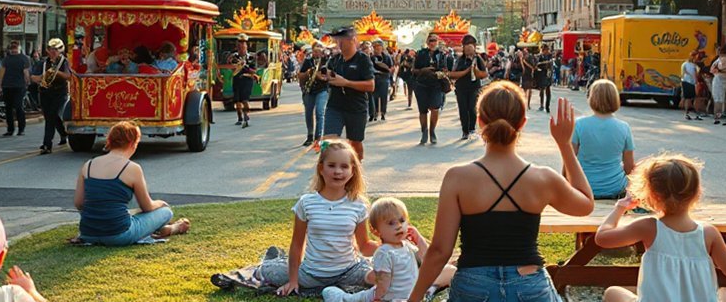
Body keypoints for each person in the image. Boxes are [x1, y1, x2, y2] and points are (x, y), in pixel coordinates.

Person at [407, 83, 594, 302]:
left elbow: (440, 250)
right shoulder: (542, 177)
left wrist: (415, 297)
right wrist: (564, 145)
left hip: (473, 286)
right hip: (529, 285)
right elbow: (585, 204)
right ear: (522, 123)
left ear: (479, 122)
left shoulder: (458, 178)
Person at [595, 154, 726, 302]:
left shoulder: (649, 227)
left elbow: (602, 237)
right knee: (725, 293)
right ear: (696, 193)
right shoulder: (708, 233)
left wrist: (620, 208)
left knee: (613, 293)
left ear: (651, 195)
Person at [247, 140, 378, 295]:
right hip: (311, 274)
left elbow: (364, 246)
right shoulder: (306, 203)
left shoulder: (358, 204)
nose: (338, 171)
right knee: (266, 271)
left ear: (352, 171)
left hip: (348, 272)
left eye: (344, 166)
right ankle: (274, 260)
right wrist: (293, 281)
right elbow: (297, 244)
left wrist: (391, 246)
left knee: (379, 277)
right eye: (332, 165)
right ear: (321, 168)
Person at [73, 121, 191, 245]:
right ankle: (173, 228)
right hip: (120, 234)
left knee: (131, 213)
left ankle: (157, 229)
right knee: (166, 212)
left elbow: (79, 203)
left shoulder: (88, 165)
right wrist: (161, 203)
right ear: (132, 143)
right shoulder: (132, 168)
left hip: (88, 234)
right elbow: (147, 206)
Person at [322, 197, 455, 302]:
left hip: (408, 295)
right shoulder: (384, 252)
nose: (398, 226)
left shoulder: (406, 246)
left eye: (402, 220)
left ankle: (430, 289)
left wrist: (419, 239)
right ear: (376, 231)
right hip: (388, 297)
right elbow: (383, 282)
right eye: (391, 223)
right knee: (357, 298)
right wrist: (378, 298)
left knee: (450, 271)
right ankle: (341, 298)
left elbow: (427, 261)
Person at [572, 79, 635, 199]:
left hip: (584, 187)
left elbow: (570, 160)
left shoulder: (579, 125)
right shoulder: (624, 127)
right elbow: (629, 167)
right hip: (615, 188)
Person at [323, 27, 375, 160]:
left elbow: (370, 85)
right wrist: (324, 76)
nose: (339, 43)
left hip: (356, 108)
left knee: (355, 143)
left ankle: (357, 170)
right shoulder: (335, 59)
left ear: (352, 40)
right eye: (337, 40)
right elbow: (325, 74)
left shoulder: (363, 60)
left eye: (342, 40)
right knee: (328, 141)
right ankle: (326, 170)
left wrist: (346, 83)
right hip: (335, 106)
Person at [31, 38, 70, 155]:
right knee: (50, 116)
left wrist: (56, 73)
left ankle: (47, 145)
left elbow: (68, 76)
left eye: (56, 49)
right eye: (51, 49)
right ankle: (63, 134)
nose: (53, 51)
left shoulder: (64, 62)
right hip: (45, 92)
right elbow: (33, 77)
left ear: (60, 50)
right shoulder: (43, 63)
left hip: (59, 92)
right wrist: (43, 77)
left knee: (51, 117)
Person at [447, 35, 487, 141]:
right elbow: (452, 74)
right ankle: (465, 131)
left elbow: (484, 74)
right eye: (466, 45)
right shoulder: (460, 60)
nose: (469, 47)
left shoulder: (478, 59)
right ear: (463, 47)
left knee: (472, 108)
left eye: (471, 45)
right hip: (461, 88)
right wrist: (466, 71)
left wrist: (475, 70)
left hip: (474, 87)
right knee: (463, 109)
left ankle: (472, 129)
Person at [412, 34, 448, 145]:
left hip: (436, 85)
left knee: (435, 108)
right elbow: (414, 70)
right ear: (427, 42)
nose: (433, 43)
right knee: (422, 111)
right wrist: (424, 70)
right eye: (431, 40)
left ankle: (432, 131)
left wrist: (439, 73)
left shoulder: (441, 55)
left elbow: (446, 70)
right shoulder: (421, 54)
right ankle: (424, 131)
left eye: (435, 40)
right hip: (422, 85)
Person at [298, 42, 330, 147]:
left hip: (322, 89)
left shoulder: (327, 60)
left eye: (319, 49)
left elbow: (329, 74)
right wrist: (309, 73)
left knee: (320, 112)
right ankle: (310, 135)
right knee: (308, 112)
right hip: (309, 90)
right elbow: (300, 75)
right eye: (315, 50)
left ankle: (318, 137)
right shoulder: (308, 61)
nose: (317, 52)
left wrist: (321, 76)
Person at [0, 41, 31, 137]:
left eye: (14, 48)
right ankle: (11, 129)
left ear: (19, 48)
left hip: (18, 85)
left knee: (18, 107)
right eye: (12, 48)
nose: (13, 50)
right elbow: (2, 72)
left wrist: (27, 81)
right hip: (8, 85)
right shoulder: (7, 59)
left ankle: (20, 129)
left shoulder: (22, 58)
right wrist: (0, 84)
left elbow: (25, 72)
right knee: (9, 108)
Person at [231, 34, 258, 128]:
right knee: (237, 101)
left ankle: (246, 116)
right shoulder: (234, 57)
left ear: (246, 46)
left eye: (243, 45)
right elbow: (232, 68)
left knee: (245, 100)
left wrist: (245, 66)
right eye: (239, 45)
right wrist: (238, 65)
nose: (241, 47)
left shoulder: (251, 57)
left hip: (247, 80)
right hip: (237, 80)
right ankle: (239, 118)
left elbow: (254, 70)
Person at [370, 40, 394, 122]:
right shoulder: (371, 58)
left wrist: (389, 71)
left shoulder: (387, 57)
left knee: (384, 96)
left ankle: (383, 113)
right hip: (375, 78)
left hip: (384, 78)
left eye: (379, 47)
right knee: (375, 96)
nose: (377, 49)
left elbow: (391, 67)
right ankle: (376, 112)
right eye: (375, 47)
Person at [532, 44, 553, 112]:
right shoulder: (539, 56)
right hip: (541, 74)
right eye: (546, 50)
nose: (547, 51)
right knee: (542, 90)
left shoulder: (550, 56)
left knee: (548, 90)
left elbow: (551, 63)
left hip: (548, 74)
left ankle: (547, 106)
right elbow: (536, 64)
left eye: (548, 50)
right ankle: (541, 105)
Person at [681, 53, 702, 120]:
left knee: (687, 98)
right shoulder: (694, 66)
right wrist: (696, 82)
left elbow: (683, 72)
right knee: (695, 97)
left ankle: (687, 113)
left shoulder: (684, 64)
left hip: (685, 81)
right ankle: (697, 112)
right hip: (691, 82)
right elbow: (696, 75)